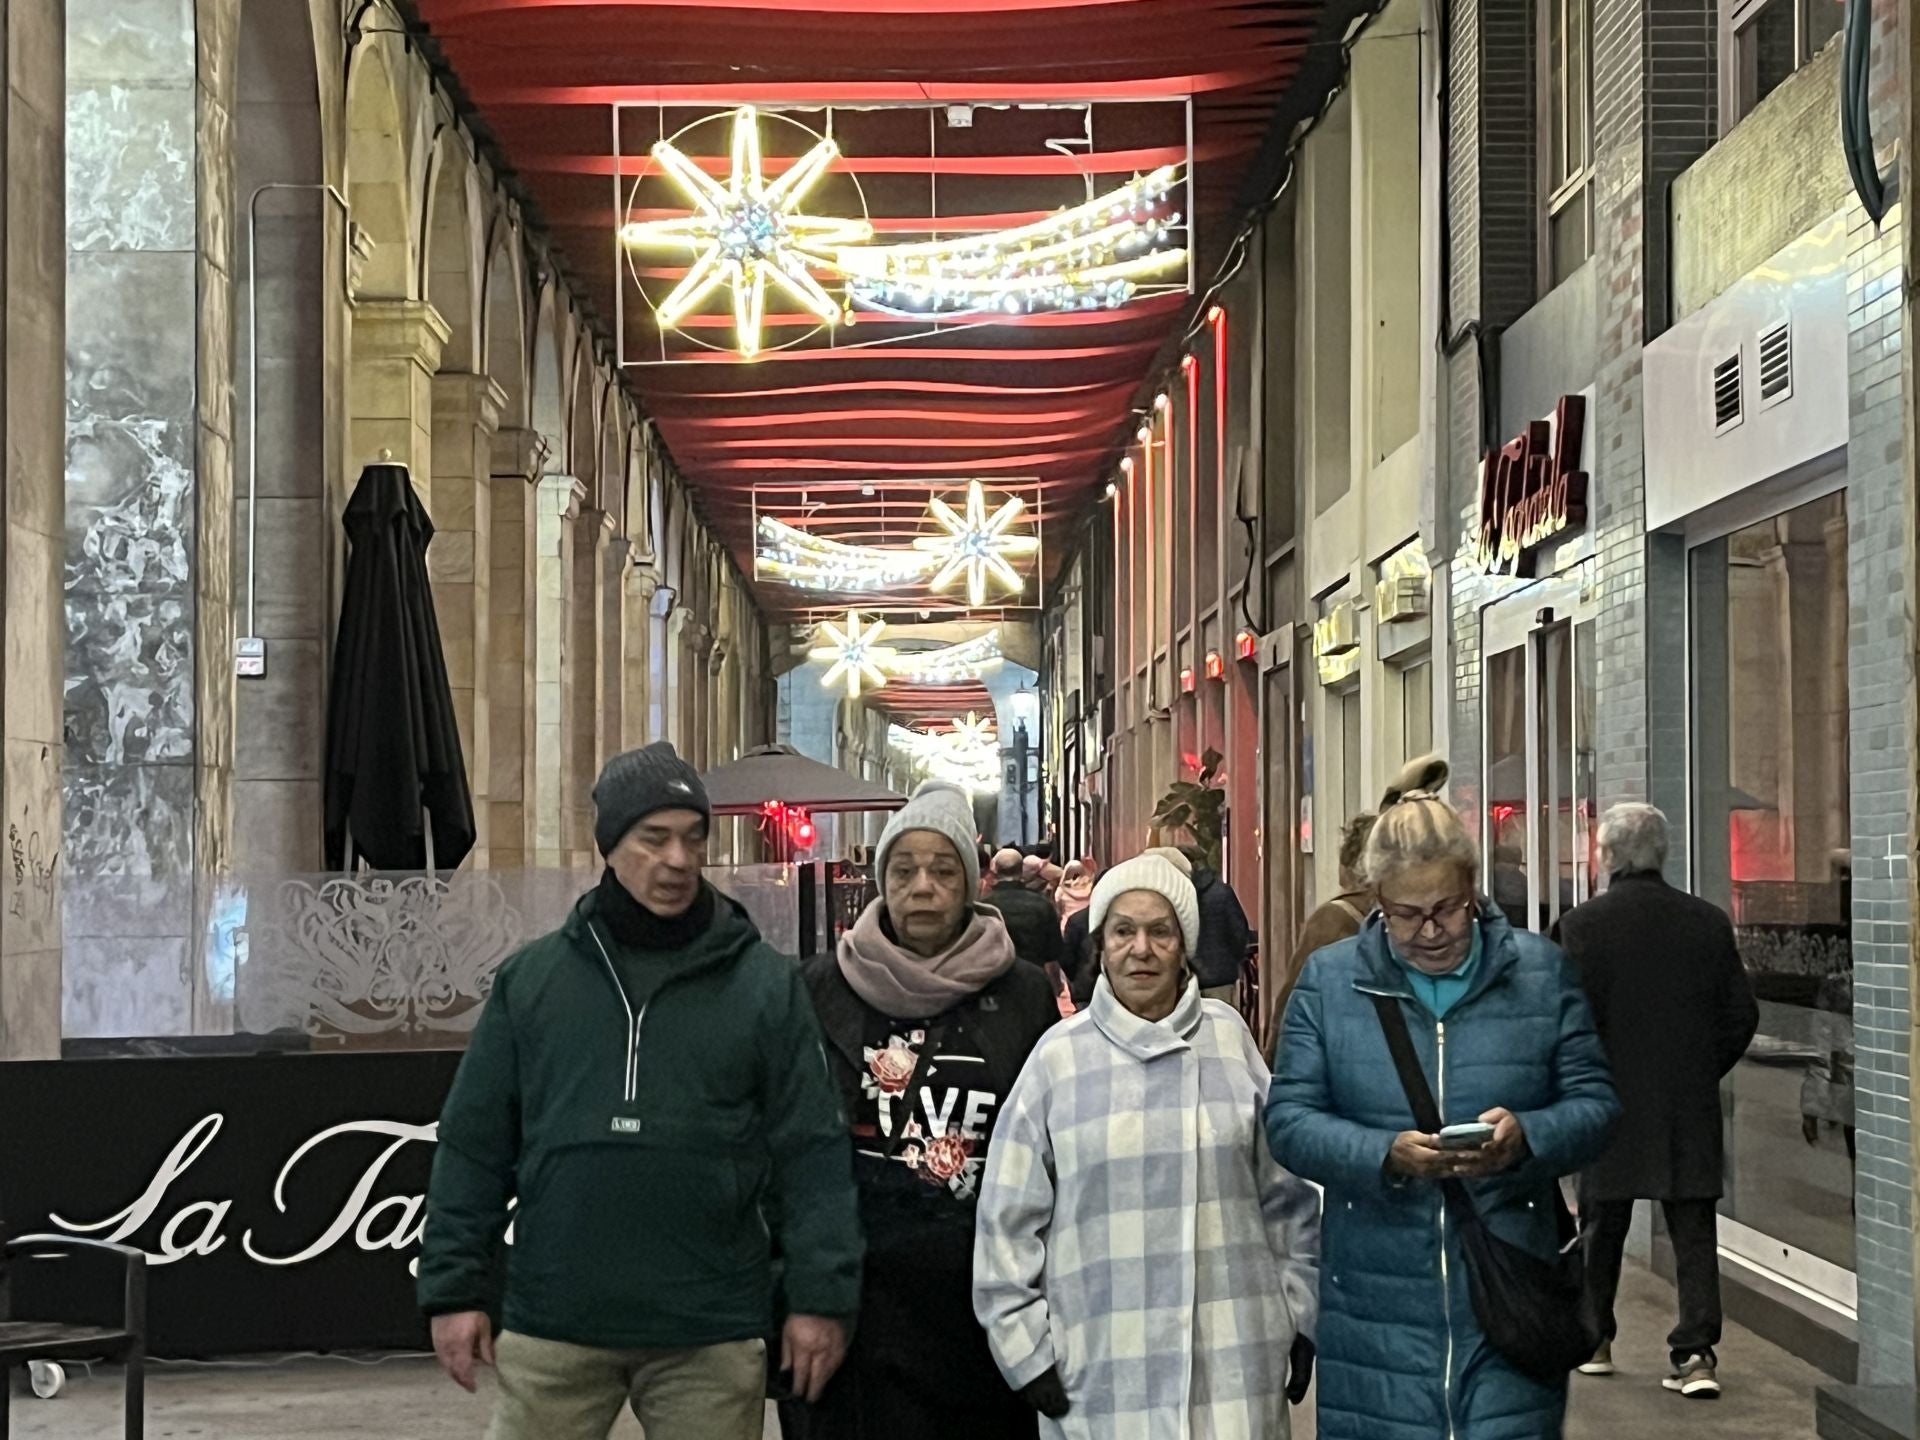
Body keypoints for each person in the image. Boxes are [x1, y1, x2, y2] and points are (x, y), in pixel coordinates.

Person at [418, 742, 862, 1440]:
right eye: (653, 839)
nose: (679, 860)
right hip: (556, 1319)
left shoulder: (764, 986)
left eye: (693, 838)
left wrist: (820, 1298)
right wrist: (453, 1287)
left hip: (709, 1327)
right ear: (611, 847)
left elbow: (811, 1154)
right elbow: (473, 1145)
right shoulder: (533, 982)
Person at [1265, 767, 1619, 1440]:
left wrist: (1529, 1138)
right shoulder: (1332, 983)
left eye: (1448, 908)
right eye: (1407, 914)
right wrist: (1382, 1153)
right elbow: (1288, 1120)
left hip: (1508, 1289)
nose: (1431, 931)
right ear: (1376, 901)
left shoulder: (1539, 974)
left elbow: (1596, 1103)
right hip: (1373, 1301)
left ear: (1473, 887)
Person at [974, 847, 1321, 1438]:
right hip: (1102, 1372)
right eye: (1123, 931)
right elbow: (1007, 1220)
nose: (1141, 949)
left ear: (1184, 944)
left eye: (1160, 931)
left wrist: (1298, 1310)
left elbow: (1287, 1194)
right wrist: (1027, 1349)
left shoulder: (1229, 1042)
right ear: (1099, 945)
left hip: (1234, 1363)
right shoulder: (1059, 1060)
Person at [784, 781, 1058, 1439]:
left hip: (980, 1300)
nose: (923, 886)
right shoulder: (822, 988)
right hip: (858, 1300)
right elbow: (791, 1148)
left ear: (970, 883)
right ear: (882, 883)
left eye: (943, 869)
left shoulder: (1019, 992)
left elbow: (1049, 1144)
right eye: (903, 871)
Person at [1555, 803, 1758, 1398]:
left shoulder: (1582, 926)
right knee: (1693, 1230)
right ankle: (1696, 1352)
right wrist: (1700, 1068)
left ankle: (1594, 1338)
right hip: (1684, 1102)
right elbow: (1741, 1014)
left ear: (1608, 857)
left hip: (1608, 1100)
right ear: (1662, 855)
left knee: (1601, 1223)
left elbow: (1564, 1019)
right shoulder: (1707, 922)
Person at [1268, 809, 1376, 1062]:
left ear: (1349, 865)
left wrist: (1273, 1061)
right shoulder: (1414, 917)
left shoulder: (1331, 920)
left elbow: (1293, 1000)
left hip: (1338, 1057)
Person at [1177, 843, 1254, 1005]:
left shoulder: (1174, 896)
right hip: (1220, 979)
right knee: (1221, 1026)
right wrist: (1232, 960)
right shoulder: (1221, 892)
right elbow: (1239, 934)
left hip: (1182, 982)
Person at [983, 846, 1065, 973]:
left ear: (996, 870)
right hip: (1035, 980)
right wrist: (1056, 986)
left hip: (993, 981)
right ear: (1021, 870)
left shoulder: (984, 906)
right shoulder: (1042, 905)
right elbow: (1053, 956)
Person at [1053, 858, 1094, 931]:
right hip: (1087, 924)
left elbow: (1058, 909)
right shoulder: (1091, 888)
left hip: (1066, 925)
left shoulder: (1061, 891)